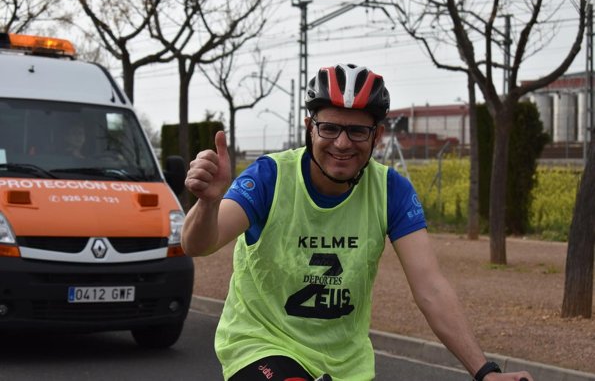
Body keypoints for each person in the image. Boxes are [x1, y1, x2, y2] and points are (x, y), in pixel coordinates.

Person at [182, 63, 533, 381]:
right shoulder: (270, 177)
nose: (342, 143)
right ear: (310, 128)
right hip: (262, 344)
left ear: (377, 136)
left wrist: (485, 372)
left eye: (357, 132)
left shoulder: (390, 190)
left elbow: (431, 287)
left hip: (346, 365)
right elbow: (197, 244)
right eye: (330, 128)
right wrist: (209, 203)